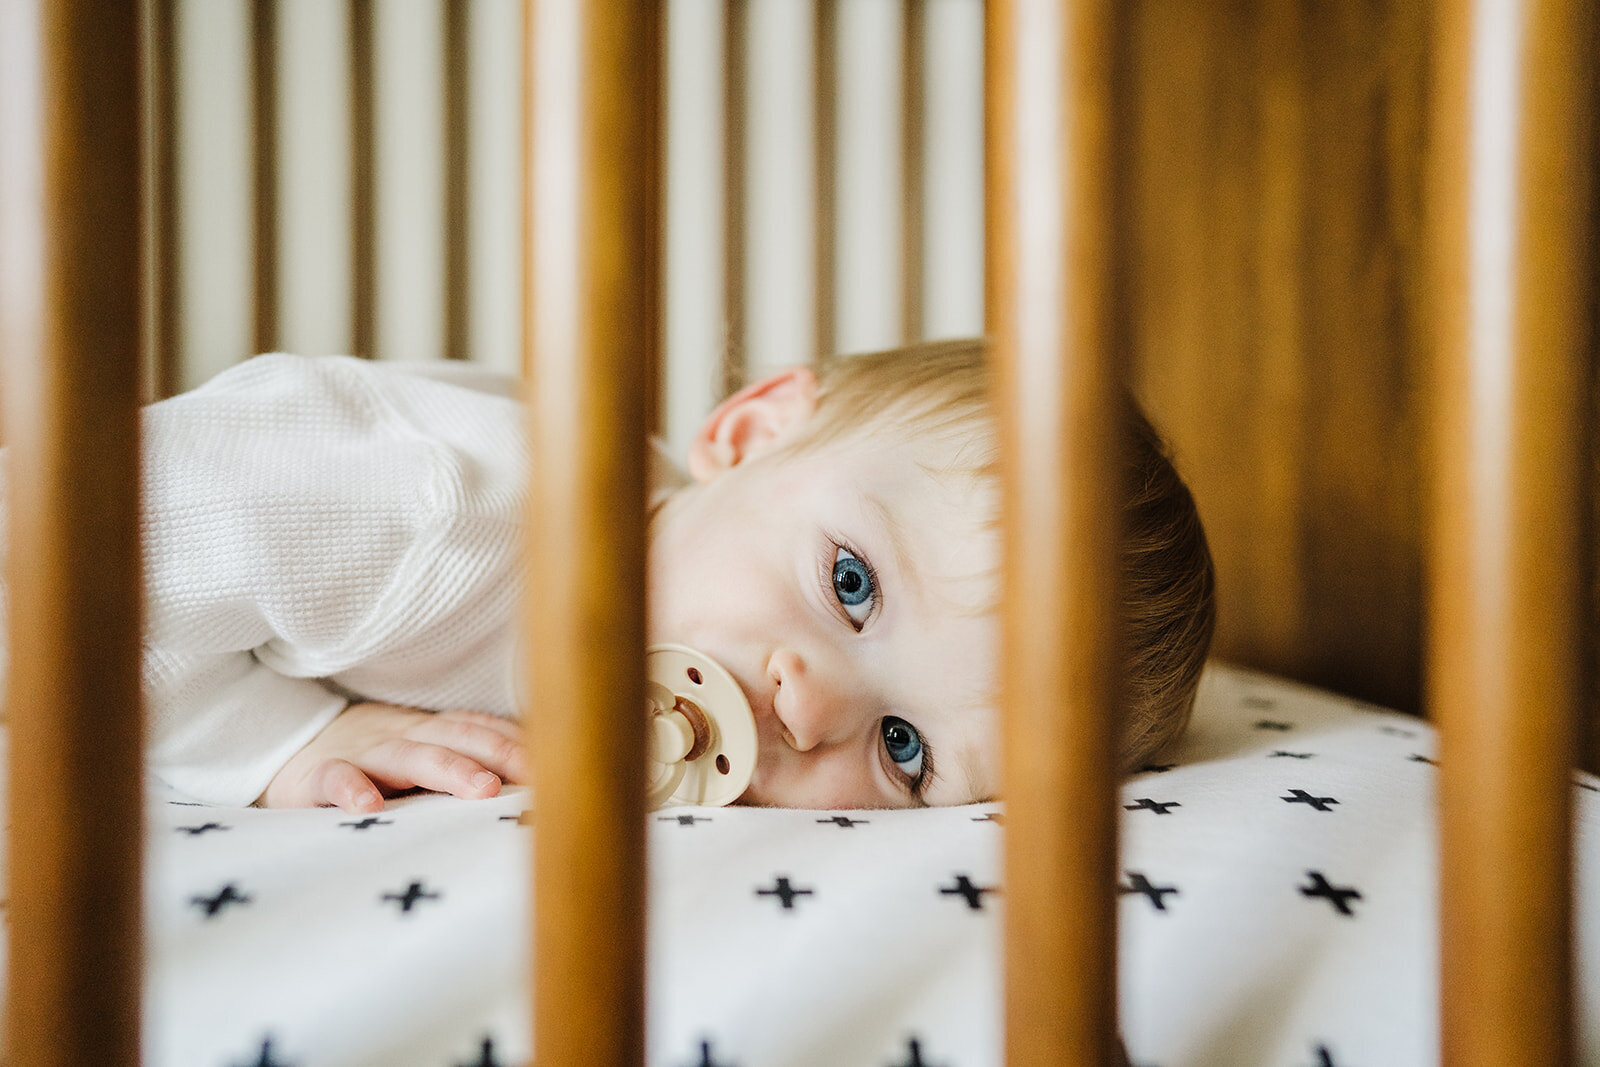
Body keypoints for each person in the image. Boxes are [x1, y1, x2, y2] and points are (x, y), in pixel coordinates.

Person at [0, 339, 1215, 812]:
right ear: (746, 435)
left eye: (905, 750)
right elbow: (73, 551)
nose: (809, 707)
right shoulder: (437, 514)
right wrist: (273, 743)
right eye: (852, 583)